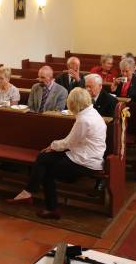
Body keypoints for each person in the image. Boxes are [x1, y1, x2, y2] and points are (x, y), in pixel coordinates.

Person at [7, 88, 106, 219]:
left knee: (46, 169)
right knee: (43, 158)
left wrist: (52, 146)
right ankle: (30, 194)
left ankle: (46, 205)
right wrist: (53, 147)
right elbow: (72, 142)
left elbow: (69, 142)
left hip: (85, 161)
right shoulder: (91, 113)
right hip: (84, 154)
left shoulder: (84, 120)